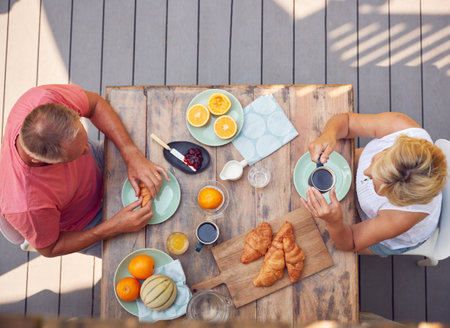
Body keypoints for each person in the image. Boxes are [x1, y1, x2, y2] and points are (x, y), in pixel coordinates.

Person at [0, 84, 169, 257]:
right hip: (88, 223)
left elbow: (95, 105)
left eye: (84, 143)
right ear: (38, 160)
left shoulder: (42, 99)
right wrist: (112, 227)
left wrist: (130, 153)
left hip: (97, 167)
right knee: (152, 254)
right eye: (78, 153)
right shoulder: (27, 206)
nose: (86, 151)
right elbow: (50, 248)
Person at [301, 112, 447, 256]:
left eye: (378, 185)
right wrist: (329, 134)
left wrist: (334, 221)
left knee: (324, 244)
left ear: (396, 200)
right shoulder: (399, 127)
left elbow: (350, 242)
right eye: (375, 161)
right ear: (391, 147)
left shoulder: (402, 216)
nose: (365, 172)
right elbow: (347, 121)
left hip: (389, 234)